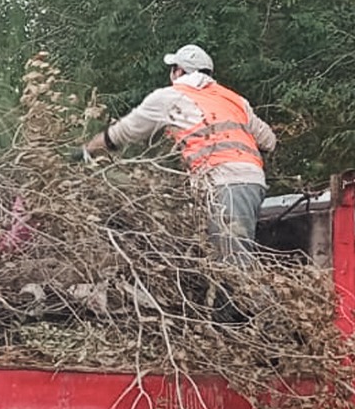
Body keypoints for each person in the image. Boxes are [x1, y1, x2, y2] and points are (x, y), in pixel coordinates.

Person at [81, 44, 277, 265]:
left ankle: (249, 299)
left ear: (179, 71)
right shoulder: (234, 99)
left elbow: (125, 131)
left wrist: (89, 148)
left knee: (232, 264)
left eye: (173, 68)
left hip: (226, 184)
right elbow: (269, 141)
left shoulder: (171, 97)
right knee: (216, 258)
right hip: (250, 182)